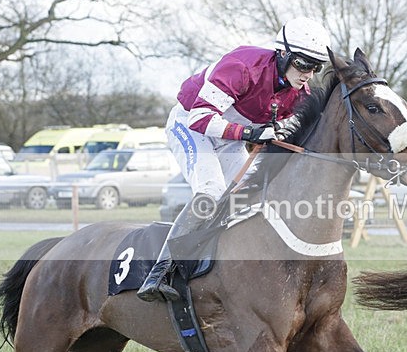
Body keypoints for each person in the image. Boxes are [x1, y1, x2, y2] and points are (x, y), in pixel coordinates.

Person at [137, 17, 331, 302]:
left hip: (229, 136)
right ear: (283, 53)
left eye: (316, 67)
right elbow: (200, 118)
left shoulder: (297, 93)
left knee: (246, 197)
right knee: (212, 191)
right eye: (303, 64)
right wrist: (250, 132)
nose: (308, 74)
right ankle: (160, 271)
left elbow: (276, 132)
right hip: (190, 125)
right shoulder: (242, 66)